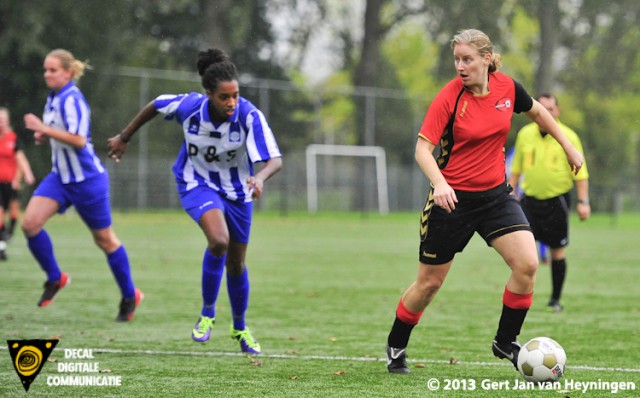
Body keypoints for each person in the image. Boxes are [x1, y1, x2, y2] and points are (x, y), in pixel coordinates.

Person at [384, 29, 584, 374]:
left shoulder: (507, 88)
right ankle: (396, 343)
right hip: (451, 201)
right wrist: (440, 183)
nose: (460, 66)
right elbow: (422, 150)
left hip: (495, 196)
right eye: (457, 60)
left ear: (486, 59)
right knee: (429, 284)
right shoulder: (450, 97)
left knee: (528, 265)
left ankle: (505, 341)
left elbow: (539, 114)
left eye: (468, 59)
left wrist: (568, 146)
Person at [107, 48, 282, 355]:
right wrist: (124, 136)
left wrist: (260, 178)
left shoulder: (249, 115)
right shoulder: (189, 107)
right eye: (224, 97)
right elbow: (155, 105)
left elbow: (274, 160)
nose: (231, 103)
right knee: (218, 241)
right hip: (196, 183)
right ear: (208, 94)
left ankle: (240, 328)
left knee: (237, 263)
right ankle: (207, 314)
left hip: (239, 192)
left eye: (235, 96)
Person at [22, 49, 142, 322]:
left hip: (87, 181)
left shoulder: (72, 99)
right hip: (60, 178)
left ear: (68, 72)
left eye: (52, 70)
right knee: (29, 224)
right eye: (45, 70)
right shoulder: (53, 97)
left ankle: (129, 295)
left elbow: (78, 139)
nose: (47, 74)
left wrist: (44, 128)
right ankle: (56, 278)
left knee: (105, 240)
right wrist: (44, 133)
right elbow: (60, 133)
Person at [508, 93, 590, 313]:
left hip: (557, 202)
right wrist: (509, 193)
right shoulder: (525, 134)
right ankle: (521, 299)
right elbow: (516, 168)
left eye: (550, 109)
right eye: (541, 108)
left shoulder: (569, 137)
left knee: (557, 253)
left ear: (557, 111)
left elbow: (581, 174)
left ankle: (555, 299)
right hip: (528, 201)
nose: (545, 113)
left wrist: (583, 201)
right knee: (522, 254)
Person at [0, 107, 36, 260]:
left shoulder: (13, 139)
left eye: (2, 120)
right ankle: (2, 245)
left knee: (14, 211)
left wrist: (25, 174)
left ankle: (9, 233)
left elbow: (20, 158)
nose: (0, 123)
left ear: (7, 121)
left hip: (11, 182)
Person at [505, 145, 550, 265]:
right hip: (521, 192)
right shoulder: (515, 151)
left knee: (542, 225)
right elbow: (509, 170)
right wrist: (513, 190)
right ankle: (525, 254)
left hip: (534, 191)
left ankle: (542, 255)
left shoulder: (539, 148)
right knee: (525, 226)